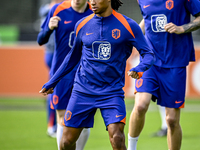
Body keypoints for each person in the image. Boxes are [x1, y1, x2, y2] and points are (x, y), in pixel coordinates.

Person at [39, 0, 155, 149]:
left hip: (111, 92)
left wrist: (140, 68)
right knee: (66, 142)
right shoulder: (82, 24)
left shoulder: (128, 25)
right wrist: (52, 82)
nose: (91, 2)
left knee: (117, 138)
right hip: (83, 91)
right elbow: (72, 58)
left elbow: (149, 54)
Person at [127, 0, 200, 150]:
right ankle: (131, 148)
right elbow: (147, 19)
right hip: (150, 60)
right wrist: (131, 41)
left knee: (172, 120)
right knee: (140, 105)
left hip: (175, 62)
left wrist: (182, 28)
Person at [37, 0, 93, 149]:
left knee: (84, 122)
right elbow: (40, 40)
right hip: (62, 74)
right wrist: (48, 28)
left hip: (86, 74)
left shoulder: (94, 11)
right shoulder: (58, 9)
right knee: (62, 118)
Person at [39, 0, 64, 138]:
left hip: (50, 53)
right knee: (54, 88)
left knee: (54, 87)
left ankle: (54, 125)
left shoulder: (46, 9)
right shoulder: (56, 9)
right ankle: (53, 125)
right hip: (56, 54)